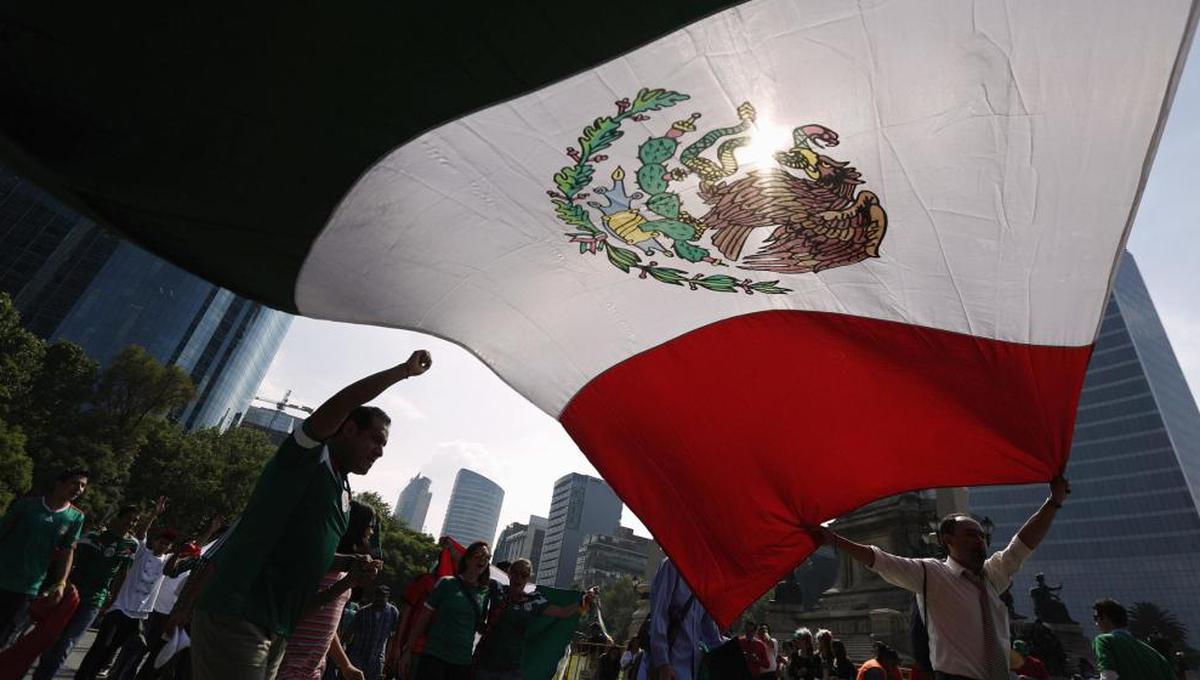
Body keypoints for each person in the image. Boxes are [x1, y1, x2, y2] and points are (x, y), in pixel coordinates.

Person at [191, 351, 431, 680]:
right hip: (239, 611)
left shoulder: (344, 494)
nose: (379, 452)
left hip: (278, 626)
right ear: (347, 428)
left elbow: (307, 555)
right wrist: (403, 371)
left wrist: (351, 565)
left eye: (385, 446)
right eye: (375, 439)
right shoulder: (307, 455)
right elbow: (350, 399)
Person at [811, 477, 1071, 680]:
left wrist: (1053, 502)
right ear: (948, 541)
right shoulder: (932, 574)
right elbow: (881, 560)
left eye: (981, 535)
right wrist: (835, 541)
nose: (979, 540)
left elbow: (1022, 544)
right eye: (971, 534)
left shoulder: (992, 575)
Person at [27, 505, 142, 680]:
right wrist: (62, 584)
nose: (131, 523)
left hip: (95, 599)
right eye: (129, 518)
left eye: (135, 521)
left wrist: (113, 597)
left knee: (67, 643)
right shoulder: (93, 537)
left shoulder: (131, 545)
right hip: (72, 593)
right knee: (54, 638)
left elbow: (122, 573)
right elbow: (71, 562)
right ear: (119, 517)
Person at [76, 496, 174, 680]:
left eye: (167, 544)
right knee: (101, 645)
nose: (163, 545)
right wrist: (154, 514)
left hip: (137, 615)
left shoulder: (167, 562)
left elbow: (196, 549)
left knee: (111, 650)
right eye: (161, 541)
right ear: (154, 542)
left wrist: (211, 531)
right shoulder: (141, 552)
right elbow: (141, 534)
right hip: (119, 607)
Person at [279, 501, 378, 680]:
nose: (371, 532)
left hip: (313, 671)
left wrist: (346, 665)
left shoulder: (343, 573)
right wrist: (348, 583)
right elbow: (295, 611)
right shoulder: (319, 564)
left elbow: (327, 627)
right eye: (370, 526)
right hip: (287, 667)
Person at [0, 469, 88, 647]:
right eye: (75, 483)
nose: (78, 489)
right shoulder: (27, 505)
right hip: (2, 575)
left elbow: (67, 551)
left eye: (83, 486)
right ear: (59, 483)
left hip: (28, 587)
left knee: (5, 636)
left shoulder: (76, 517)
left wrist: (61, 582)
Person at [473, 558, 590, 680]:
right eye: (516, 573)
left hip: (511, 666)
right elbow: (471, 574)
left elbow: (563, 612)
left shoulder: (534, 600)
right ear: (509, 573)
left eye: (524, 575)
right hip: (485, 661)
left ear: (528, 578)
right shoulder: (497, 588)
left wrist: (585, 599)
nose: (519, 578)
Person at [402, 541, 491, 680]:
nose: (482, 560)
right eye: (478, 555)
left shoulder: (485, 593)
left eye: (487, 557)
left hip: (462, 661)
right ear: (467, 559)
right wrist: (407, 651)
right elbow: (423, 619)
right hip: (435, 656)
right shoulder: (446, 583)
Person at [637, 558, 724, 680]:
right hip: (669, 669)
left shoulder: (706, 578)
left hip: (689, 671)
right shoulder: (672, 566)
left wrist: (729, 656)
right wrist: (663, 664)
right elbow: (659, 617)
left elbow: (710, 632)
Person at [1091, 598, 1175, 680]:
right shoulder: (1154, 653)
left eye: (1096, 618)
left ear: (1105, 617)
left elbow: (1109, 676)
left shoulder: (1105, 640)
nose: (1096, 623)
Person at [346, 586, 400, 680]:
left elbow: (394, 636)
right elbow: (349, 632)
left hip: (377, 659)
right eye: (377, 596)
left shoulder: (393, 612)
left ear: (387, 597)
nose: (379, 598)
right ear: (373, 596)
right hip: (358, 656)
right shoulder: (362, 612)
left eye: (383, 596)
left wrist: (391, 658)